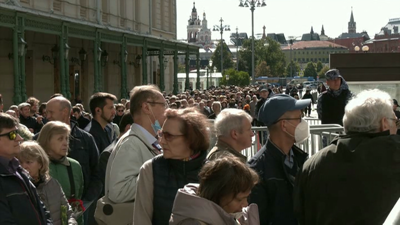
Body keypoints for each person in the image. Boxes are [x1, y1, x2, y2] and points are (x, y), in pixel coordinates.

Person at [294, 89, 400, 225]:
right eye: (395, 122)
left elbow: (300, 214)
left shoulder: (312, 165)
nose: (396, 128)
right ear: (384, 123)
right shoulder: (394, 154)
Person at [133, 107, 209, 225]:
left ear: (191, 138)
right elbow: (141, 219)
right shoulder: (150, 169)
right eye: (161, 134)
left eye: (169, 136)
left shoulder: (213, 172)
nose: (161, 141)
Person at [248, 94, 310, 225]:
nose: (303, 123)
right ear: (284, 125)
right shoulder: (257, 170)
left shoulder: (301, 159)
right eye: (299, 118)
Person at [43, 96, 102, 223]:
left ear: (64, 112)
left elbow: (98, 173)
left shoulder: (86, 139)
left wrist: (85, 203)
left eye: (51, 112)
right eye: (46, 112)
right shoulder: (38, 141)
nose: (47, 116)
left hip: (81, 213)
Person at [105, 85, 165, 205]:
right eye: (163, 105)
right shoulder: (131, 144)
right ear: (146, 107)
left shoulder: (145, 140)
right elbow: (119, 191)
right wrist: (162, 175)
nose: (167, 110)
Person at [169, 156, 260, 225]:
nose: (245, 204)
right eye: (239, 199)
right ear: (219, 194)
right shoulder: (193, 222)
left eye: (246, 197)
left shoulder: (229, 216)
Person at [0, 113, 52, 225]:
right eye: (12, 135)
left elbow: (41, 209)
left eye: (17, 133)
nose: (19, 138)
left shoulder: (17, 168)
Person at [18, 141, 77, 225]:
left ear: (40, 164)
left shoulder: (53, 184)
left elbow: (68, 212)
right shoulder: (18, 188)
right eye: (20, 163)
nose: (24, 166)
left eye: (28, 162)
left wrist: (71, 223)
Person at [37, 121, 85, 225]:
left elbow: (79, 194)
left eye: (67, 138)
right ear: (47, 141)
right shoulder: (36, 165)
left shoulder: (74, 166)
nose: (65, 143)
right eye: (60, 139)